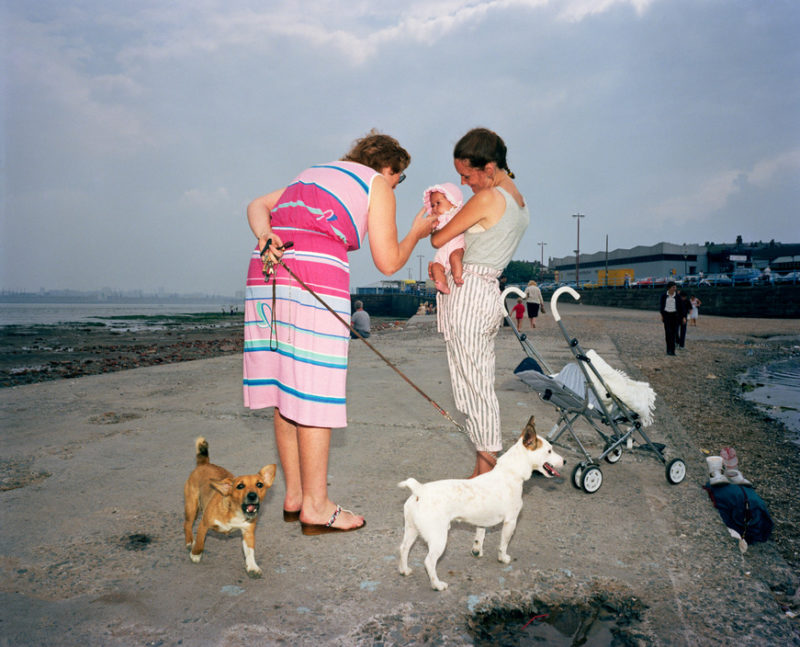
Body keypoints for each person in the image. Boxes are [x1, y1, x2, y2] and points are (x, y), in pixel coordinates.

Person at [244, 130, 436, 534]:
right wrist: (416, 233)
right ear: (389, 167)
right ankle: (316, 506)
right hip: (315, 272)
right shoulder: (377, 184)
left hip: (269, 268)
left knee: (284, 385)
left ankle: (295, 496)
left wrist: (265, 235)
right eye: (399, 178)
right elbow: (387, 263)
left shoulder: (314, 173)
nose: (396, 185)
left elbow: (257, 204)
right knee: (314, 387)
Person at [432, 127, 530, 477]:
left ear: (489, 168)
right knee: (478, 382)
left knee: (471, 387)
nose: (466, 183)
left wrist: (437, 226)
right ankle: (483, 466)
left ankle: (487, 470)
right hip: (489, 293)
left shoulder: (489, 197)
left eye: (467, 175)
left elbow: (439, 236)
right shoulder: (520, 202)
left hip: (470, 291)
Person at [424, 183, 465, 294]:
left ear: (452, 202)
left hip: (456, 247)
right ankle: (443, 285)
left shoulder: (457, 214)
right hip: (442, 253)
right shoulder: (437, 221)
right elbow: (432, 236)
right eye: (432, 205)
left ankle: (457, 277)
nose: (435, 208)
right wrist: (432, 228)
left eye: (438, 203)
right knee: (436, 267)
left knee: (455, 257)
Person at [659, 281, 683, 356]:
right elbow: (661, 306)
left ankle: (672, 351)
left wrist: (683, 317)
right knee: (668, 333)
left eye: (675, 287)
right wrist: (662, 316)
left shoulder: (677, 297)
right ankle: (668, 350)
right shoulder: (664, 296)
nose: (674, 289)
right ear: (669, 288)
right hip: (667, 316)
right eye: (673, 287)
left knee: (674, 333)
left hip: (675, 316)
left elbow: (681, 308)